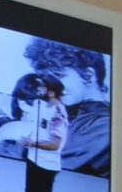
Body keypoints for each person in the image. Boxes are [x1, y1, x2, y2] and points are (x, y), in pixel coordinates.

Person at [23, 38, 111, 178]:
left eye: (59, 75)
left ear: (89, 76)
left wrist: (3, 144)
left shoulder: (104, 126)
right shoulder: (68, 112)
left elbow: (49, 166)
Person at [6, 74, 69, 192]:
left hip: (47, 165)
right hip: (33, 159)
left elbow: (55, 144)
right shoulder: (41, 105)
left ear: (51, 92)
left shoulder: (58, 115)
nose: (38, 89)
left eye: (42, 87)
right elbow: (39, 130)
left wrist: (32, 143)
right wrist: (29, 139)